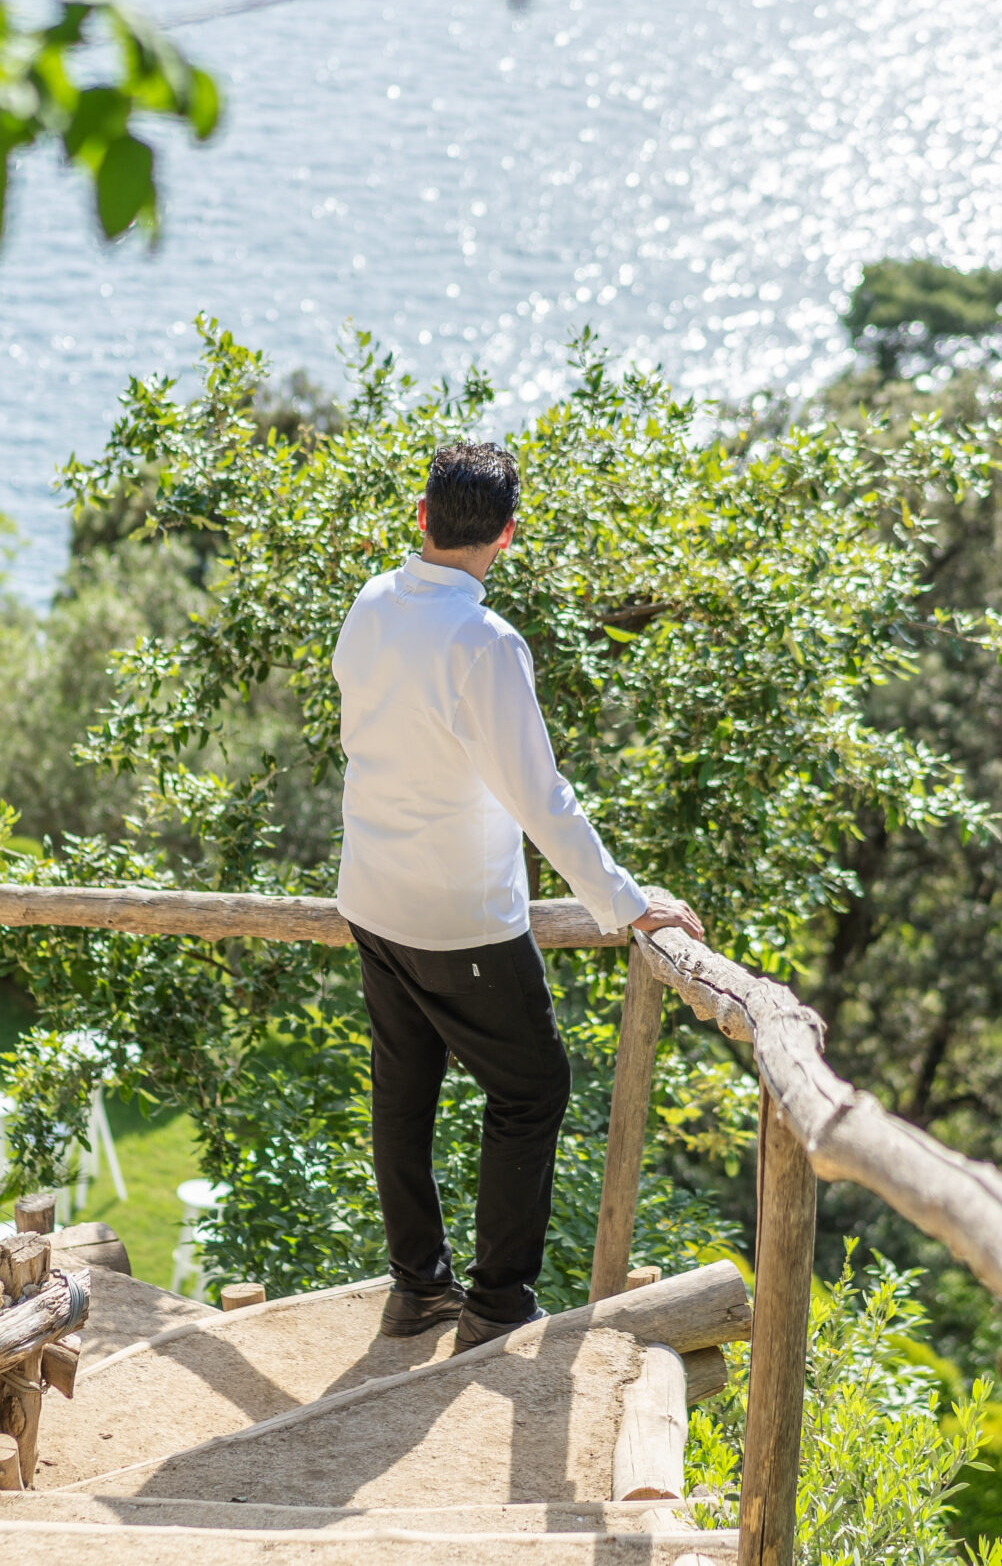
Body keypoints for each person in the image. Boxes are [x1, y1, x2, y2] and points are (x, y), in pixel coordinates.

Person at [332, 438, 704, 1351]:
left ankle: (418, 1288)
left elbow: (358, 736)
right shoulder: (485, 642)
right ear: (506, 535)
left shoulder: (371, 603)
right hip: (458, 916)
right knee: (534, 1088)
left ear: (422, 518)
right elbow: (541, 797)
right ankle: (497, 1302)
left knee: (403, 1094)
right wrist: (624, 902)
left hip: (373, 898)